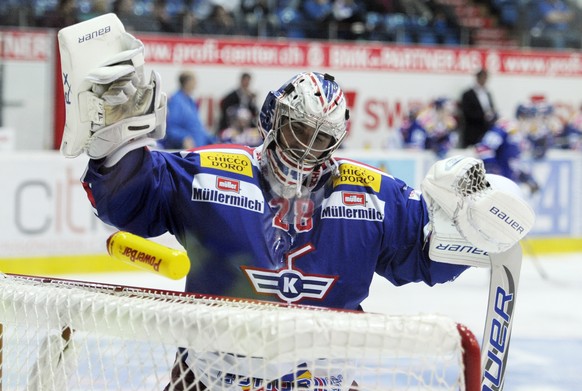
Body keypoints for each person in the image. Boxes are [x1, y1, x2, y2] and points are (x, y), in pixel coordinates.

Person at [60, 19, 534, 390]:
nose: (307, 149)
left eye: (321, 138)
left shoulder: (373, 194)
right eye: (299, 131)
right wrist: (113, 145)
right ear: (273, 119)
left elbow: (427, 251)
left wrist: (478, 219)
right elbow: (132, 200)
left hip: (320, 379)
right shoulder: (211, 170)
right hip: (210, 377)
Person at [475, 108, 540, 195]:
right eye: (533, 120)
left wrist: (528, 179)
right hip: (497, 186)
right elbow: (484, 148)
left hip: (509, 184)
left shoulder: (521, 135)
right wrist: (493, 172)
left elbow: (515, 161)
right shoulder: (504, 128)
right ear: (522, 117)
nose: (535, 124)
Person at [160, 70, 215, 150]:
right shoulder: (176, 101)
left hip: (199, 147)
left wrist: (212, 140)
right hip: (186, 150)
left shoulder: (190, 101)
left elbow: (197, 126)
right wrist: (184, 138)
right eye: (194, 80)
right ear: (187, 82)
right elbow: (172, 129)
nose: (196, 83)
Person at [460, 68, 498, 148]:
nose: (485, 80)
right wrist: (483, 116)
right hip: (473, 132)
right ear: (478, 78)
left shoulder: (487, 93)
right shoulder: (467, 94)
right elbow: (467, 112)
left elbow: (491, 108)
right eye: (483, 78)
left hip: (486, 130)